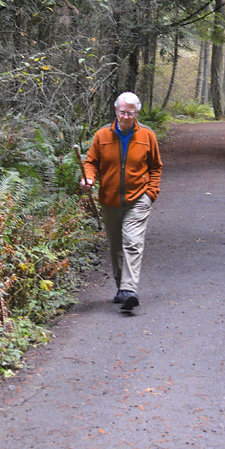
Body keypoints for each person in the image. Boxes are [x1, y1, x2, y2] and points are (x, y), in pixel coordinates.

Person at [80, 92, 162, 311]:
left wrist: (151, 193)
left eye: (131, 113)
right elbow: (91, 163)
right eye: (123, 112)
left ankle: (129, 289)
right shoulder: (101, 135)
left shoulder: (147, 136)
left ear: (137, 113)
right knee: (116, 245)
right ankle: (121, 288)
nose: (126, 117)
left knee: (132, 242)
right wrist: (88, 178)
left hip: (139, 198)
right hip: (109, 199)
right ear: (116, 111)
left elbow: (155, 167)